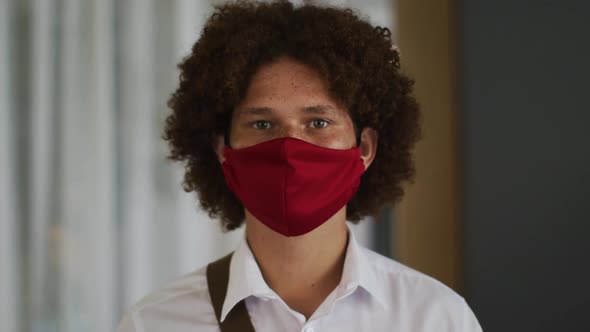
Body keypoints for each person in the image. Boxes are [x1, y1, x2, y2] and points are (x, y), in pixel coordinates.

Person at [117, 1, 483, 331]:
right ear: (222, 149)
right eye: (263, 124)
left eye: (318, 123)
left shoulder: (435, 317)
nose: (290, 147)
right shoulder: (153, 323)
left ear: (365, 147)